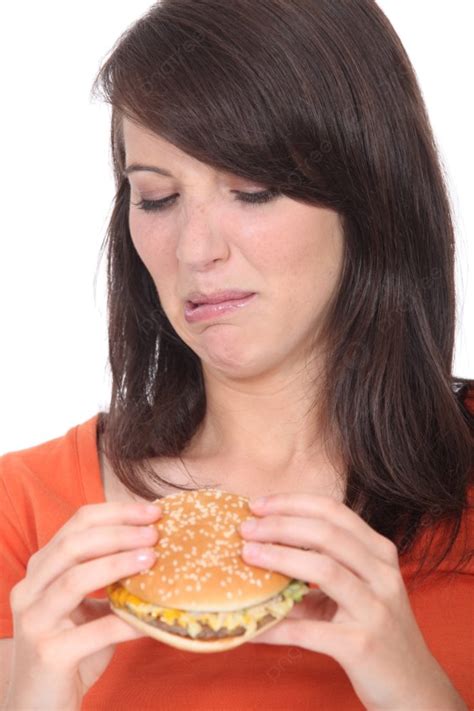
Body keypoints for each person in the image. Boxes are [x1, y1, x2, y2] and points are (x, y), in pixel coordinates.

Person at [1, 0, 473, 709]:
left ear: (371, 191)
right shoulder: (26, 512)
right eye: (156, 197)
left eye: (251, 190)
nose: (196, 249)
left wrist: (416, 691)